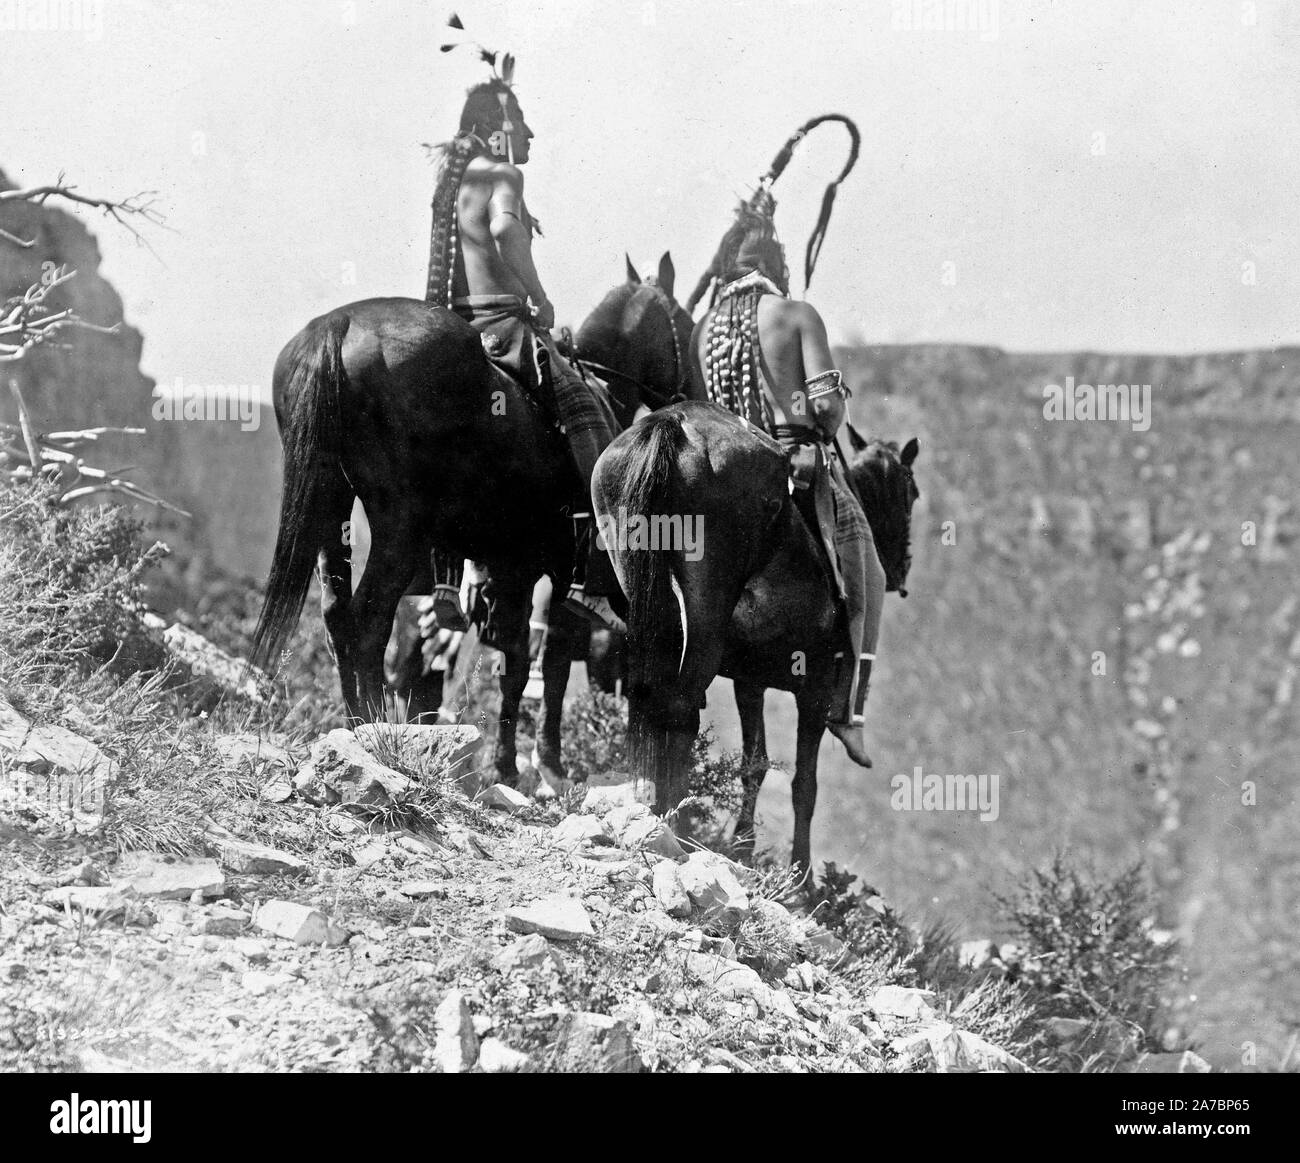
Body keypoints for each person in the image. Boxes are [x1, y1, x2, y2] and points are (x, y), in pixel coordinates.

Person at [421, 67, 625, 636]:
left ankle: (447, 578)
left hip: (460, 335)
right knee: (588, 414)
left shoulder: (453, 186)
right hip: (506, 336)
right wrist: (540, 299)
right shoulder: (502, 174)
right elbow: (509, 231)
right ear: (496, 130)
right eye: (520, 123)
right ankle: (600, 576)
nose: (530, 133)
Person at [689, 198, 884, 768]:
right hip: (798, 466)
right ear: (775, 263)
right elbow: (823, 407)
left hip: (725, 473)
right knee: (866, 565)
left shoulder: (707, 330)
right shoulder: (795, 313)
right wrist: (834, 406)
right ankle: (848, 712)